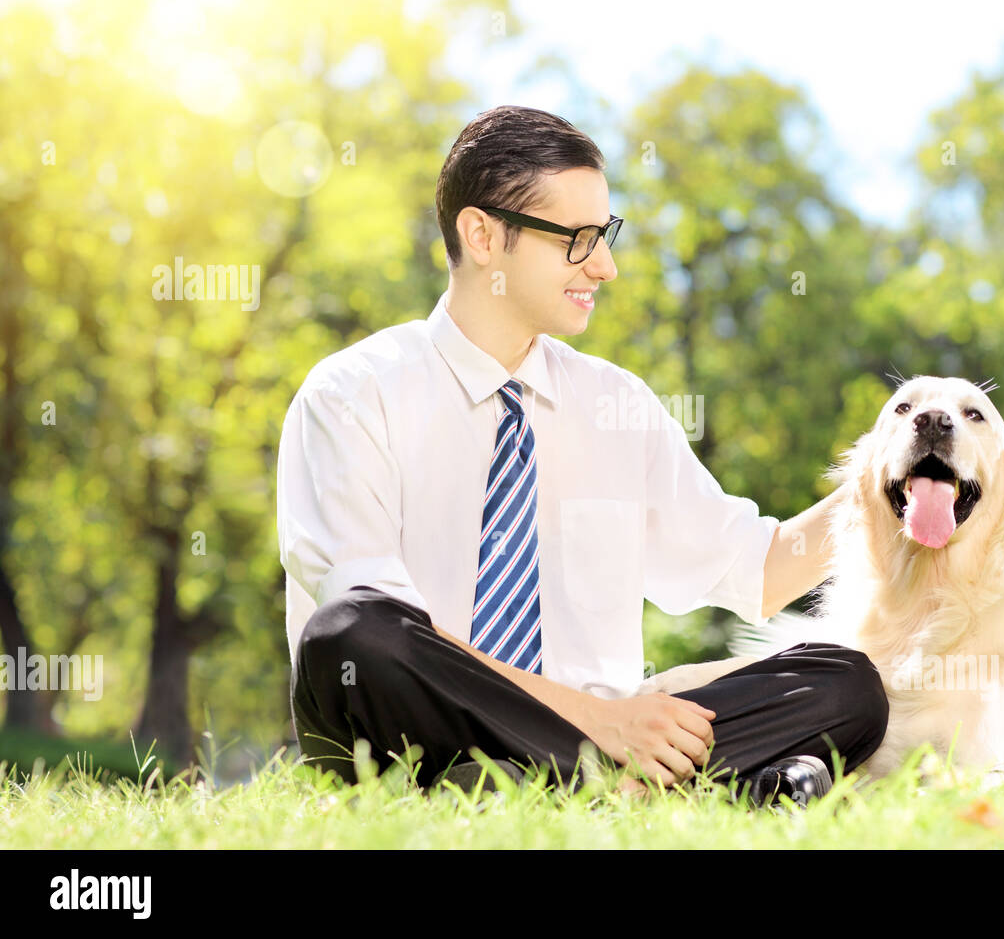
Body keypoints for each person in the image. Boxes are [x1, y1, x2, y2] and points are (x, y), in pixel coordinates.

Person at [277, 105, 888, 803]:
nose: (606, 266)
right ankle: (634, 781)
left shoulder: (616, 404)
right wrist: (602, 722)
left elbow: (760, 572)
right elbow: (373, 625)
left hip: (608, 733)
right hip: (405, 739)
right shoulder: (354, 394)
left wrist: (887, 477)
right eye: (578, 238)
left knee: (843, 683)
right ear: (481, 235)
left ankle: (528, 785)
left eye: (606, 235)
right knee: (351, 633)